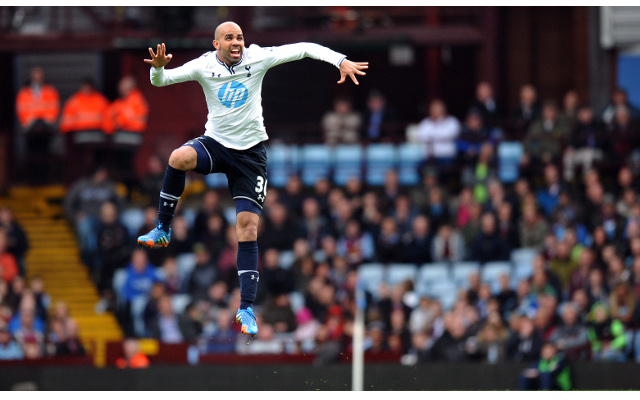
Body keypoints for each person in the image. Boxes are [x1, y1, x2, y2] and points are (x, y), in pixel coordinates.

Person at [137, 21, 367, 338]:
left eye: (240, 37)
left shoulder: (257, 57)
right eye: (230, 37)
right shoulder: (204, 65)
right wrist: (157, 69)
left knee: (247, 227)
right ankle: (163, 228)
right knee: (178, 157)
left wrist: (339, 59)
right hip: (216, 145)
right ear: (216, 44)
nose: (237, 42)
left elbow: (304, 48)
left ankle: (246, 308)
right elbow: (161, 82)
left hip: (250, 156)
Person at [15, 66, 60, 183]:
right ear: (31, 76)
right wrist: (28, 122)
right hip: (30, 128)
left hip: (45, 127)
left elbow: (54, 108)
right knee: (31, 153)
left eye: (39, 74)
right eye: (35, 74)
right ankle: (32, 179)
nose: (37, 77)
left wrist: (47, 121)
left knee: (45, 153)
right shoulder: (24, 92)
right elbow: (21, 109)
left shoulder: (50, 91)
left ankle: (45, 178)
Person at [103, 75, 149, 185]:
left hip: (130, 138)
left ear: (129, 87)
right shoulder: (122, 102)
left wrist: (117, 123)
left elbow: (127, 118)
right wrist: (109, 128)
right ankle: (127, 188)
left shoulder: (135, 100)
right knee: (121, 165)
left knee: (127, 165)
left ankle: (133, 188)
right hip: (120, 138)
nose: (119, 87)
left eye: (121, 85)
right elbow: (108, 117)